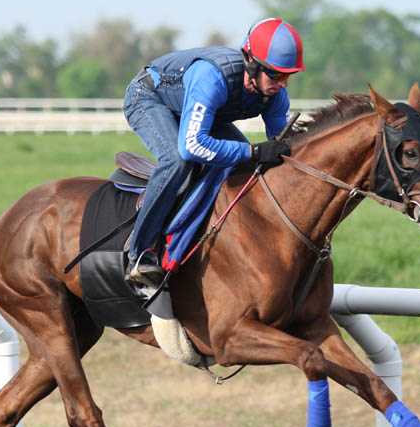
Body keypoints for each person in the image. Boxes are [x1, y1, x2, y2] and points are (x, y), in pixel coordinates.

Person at [122, 17, 305, 287]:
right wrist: (253, 151)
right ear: (251, 63)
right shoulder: (212, 78)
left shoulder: (275, 93)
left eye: (288, 76)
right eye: (276, 74)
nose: (283, 84)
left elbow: (281, 144)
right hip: (148, 98)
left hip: (199, 110)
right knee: (177, 161)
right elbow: (192, 145)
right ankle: (139, 254)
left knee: (244, 165)